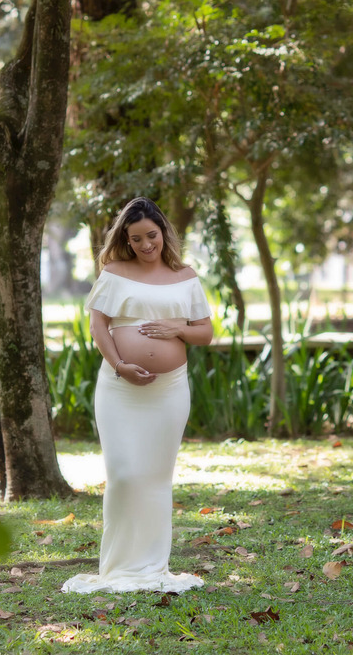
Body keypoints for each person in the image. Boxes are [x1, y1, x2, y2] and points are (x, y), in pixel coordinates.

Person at [61, 198, 214, 594]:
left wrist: (176, 329)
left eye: (152, 235)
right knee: (126, 476)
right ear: (126, 241)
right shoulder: (115, 272)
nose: (147, 244)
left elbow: (205, 332)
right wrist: (119, 365)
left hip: (169, 389)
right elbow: (98, 326)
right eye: (137, 239)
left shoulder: (185, 276)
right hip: (119, 389)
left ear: (163, 232)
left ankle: (152, 566)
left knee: (157, 479)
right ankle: (119, 567)